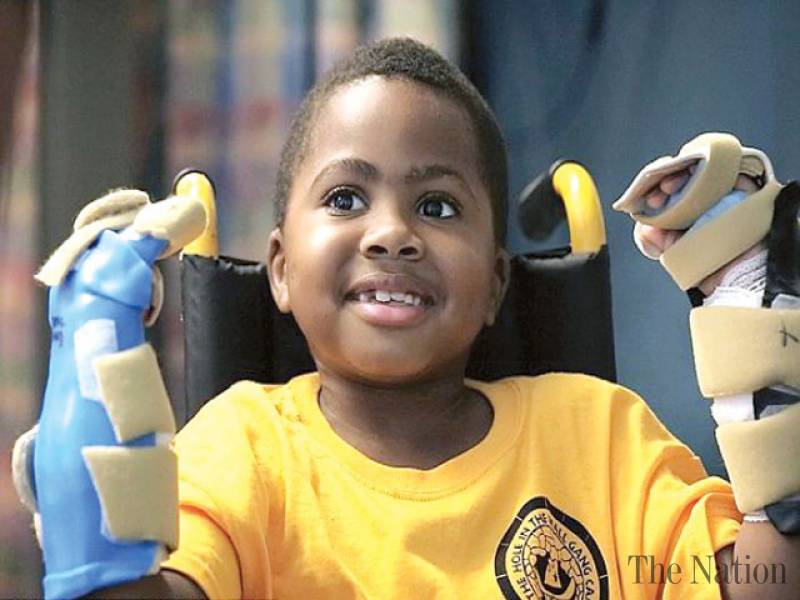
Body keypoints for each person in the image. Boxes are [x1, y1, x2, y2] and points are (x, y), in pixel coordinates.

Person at [32, 38, 800, 599]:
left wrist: (767, 389)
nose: (391, 232)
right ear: (281, 269)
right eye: (345, 199)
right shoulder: (241, 451)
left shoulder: (602, 437)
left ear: (496, 281)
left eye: (437, 206)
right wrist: (96, 536)